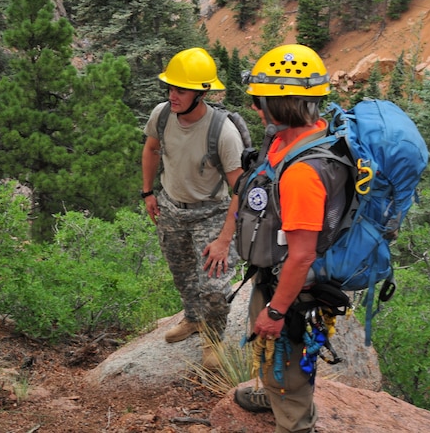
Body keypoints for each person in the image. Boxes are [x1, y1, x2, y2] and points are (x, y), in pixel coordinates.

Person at [234, 44, 349, 433]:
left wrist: (277, 311)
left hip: (294, 288)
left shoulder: (302, 172)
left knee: (286, 356)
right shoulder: (297, 140)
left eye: (259, 100)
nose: (255, 107)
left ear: (279, 104)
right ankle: (273, 391)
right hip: (278, 276)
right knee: (274, 354)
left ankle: (293, 419)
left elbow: (301, 255)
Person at [141, 47, 246, 370]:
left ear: (201, 92)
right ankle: (192, 318)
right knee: (182, 272)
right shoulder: (161, 115)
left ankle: (214, 339)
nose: (173, 95)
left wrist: (225, 239)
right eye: (170, 88)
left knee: (214, 286)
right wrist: (148, 192)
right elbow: (151, 149)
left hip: (211, 213)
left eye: (181, 90)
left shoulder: (223, 132)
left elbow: (240, 189)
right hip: (172, 208)